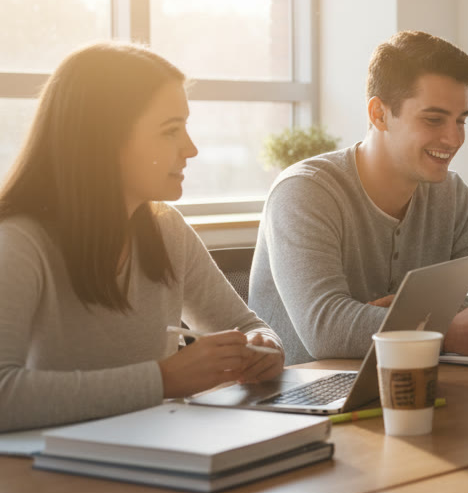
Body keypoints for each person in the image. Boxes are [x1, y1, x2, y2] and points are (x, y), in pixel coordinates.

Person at [0, 43, 283, 432]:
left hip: (156, 456)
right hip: (48, 482)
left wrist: (264, 347)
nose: (191, 148)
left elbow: (244, 323)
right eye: (171, 130)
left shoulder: (166, 228)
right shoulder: (17, 243)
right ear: (103, 140)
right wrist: (163, 379)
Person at [250, 31, 468, 365]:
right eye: (434, 119)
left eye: (460, 120)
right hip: (306, 400)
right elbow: (327, 330)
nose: (454, 138)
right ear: (378, 114)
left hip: (411, 382)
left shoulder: (450, 194)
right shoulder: (304, 191)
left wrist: (410, 315)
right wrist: (446, 329)